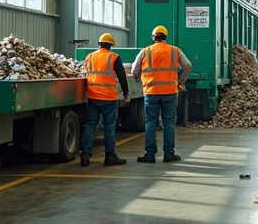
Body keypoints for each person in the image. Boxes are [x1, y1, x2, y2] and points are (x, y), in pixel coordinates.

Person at [130, 25, 192, 163]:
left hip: (151, 92)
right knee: (168, 122)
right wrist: (181, 82)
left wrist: (139, 79)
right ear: (165, 37)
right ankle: (169, 154)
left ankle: (150, 155)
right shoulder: (175, 51)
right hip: (170, 92)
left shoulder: (145, 51)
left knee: (151, 122)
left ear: (153, 37)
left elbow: (134, 70)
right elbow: (188, 66)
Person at [80, 33, 129, 167]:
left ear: (99, 44)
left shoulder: (90, 56)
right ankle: (110, 156)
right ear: (110, 45)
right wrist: (126, 93)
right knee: (109, 127)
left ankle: (85, 155)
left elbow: (85, 72)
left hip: (93, 96)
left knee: (91, 125)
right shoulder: (114, 57)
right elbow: (122, 76)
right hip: (108, 97)